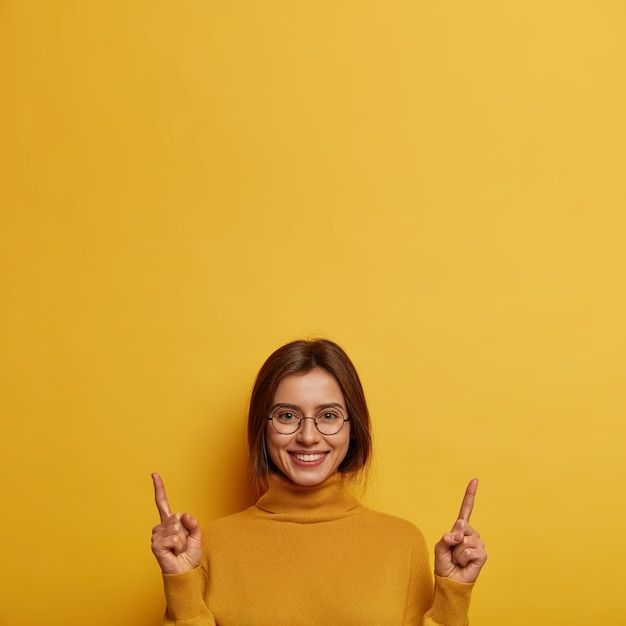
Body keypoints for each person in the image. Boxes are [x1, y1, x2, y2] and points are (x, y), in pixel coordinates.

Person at [151, 338, 487, 625]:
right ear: (262, 427)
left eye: (328, 416)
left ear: (352, 426)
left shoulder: (403, 543)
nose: (308, 436)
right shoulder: (209, 547)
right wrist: (181, 585)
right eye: (287, 416)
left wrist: (451, 600)